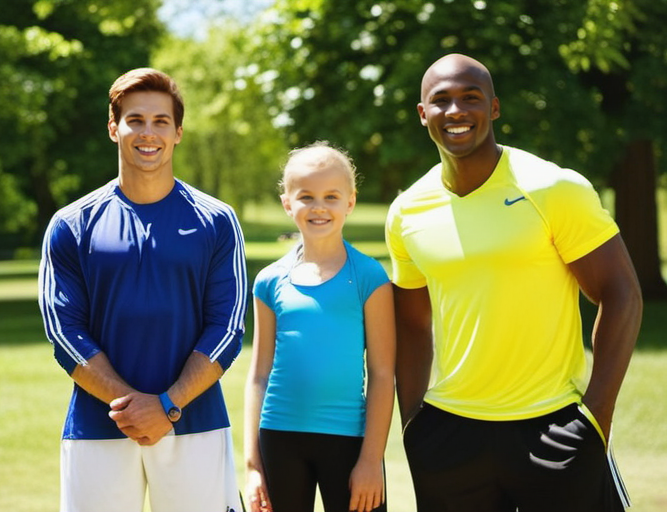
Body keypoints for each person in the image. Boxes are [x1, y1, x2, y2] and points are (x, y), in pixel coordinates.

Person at [385, 53, 643, 512]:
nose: (456, 111)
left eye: (471, 97)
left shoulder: (552, 188)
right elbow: (410, 323)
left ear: (495, 108)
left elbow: (621, 293)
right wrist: (414, 426)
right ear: (423, 114)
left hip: (554, 427)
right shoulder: (407, 211)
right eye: (440, 101)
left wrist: (596, 417)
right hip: (450, 435)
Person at [38, 68, 247, 512]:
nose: (147, 133)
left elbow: (226, 328)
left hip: (197, 422)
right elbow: (63, 331)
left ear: (178, 134)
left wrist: (168, 405)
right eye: (135, 120)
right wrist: (129, 406)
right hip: (98, 424)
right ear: (114, 128)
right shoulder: (71, 224)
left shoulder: (217, 220)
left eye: (160, 122)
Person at [245, 142, 396, 512]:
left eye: (331, 196)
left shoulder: (369, 276)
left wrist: (371, 460)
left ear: (350, 201)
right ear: (287, 203)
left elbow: (381, 372)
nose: (319, 207)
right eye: (306, 196)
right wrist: (252, 465)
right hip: (279, 438)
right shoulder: (269, 281)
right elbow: (259, 374)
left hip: (348, 440)